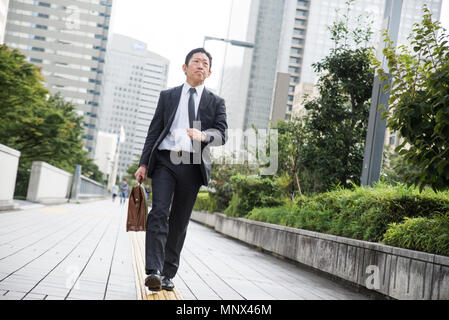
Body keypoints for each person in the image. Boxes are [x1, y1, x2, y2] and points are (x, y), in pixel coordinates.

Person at [134, 48, 227, 292]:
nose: (200, 65)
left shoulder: (216, 102)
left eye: (205, 63)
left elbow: (222, 134)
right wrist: (144, 163)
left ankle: (167, 274)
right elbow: (154, 131)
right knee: (159, 212)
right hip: (166, 161)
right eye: (195, 61)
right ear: (184, 68)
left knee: (179, 221)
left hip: (193, 166)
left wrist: (204, 135)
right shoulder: (168, 96)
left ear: (209, 72)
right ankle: (153, 270)